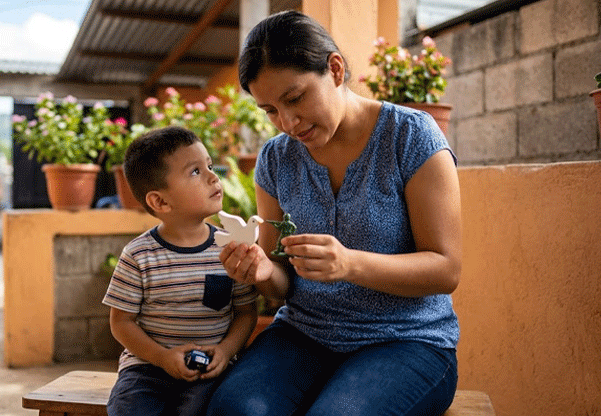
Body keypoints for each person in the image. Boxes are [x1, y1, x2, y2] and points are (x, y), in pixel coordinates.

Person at [207, 10, 461, 416]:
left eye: (295, 98)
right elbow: (280, 283)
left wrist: (349, 264)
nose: (287, 122)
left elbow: (445, 270)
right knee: (236, 410)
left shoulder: (410, 136)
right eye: (269, 110)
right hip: (304, 333)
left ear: (336, 69)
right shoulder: (275, 159)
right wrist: (260, 272)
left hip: (407, 340)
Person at [102, 126, 258, 416]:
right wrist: (161, 357)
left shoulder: (231, 249)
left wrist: (225, 351)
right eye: (195, 172)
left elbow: (246, 312)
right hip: (147, 369)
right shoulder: (138, 256)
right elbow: (121, 322)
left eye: (209, 165)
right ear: (160, 201)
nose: (213, 176)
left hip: (210, 370)